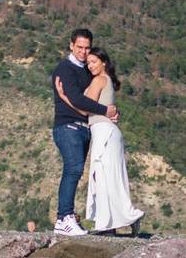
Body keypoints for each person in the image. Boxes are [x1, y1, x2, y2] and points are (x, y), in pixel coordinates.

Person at [55, 46, 144, 235]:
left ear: (104, 62)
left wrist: (64, 97)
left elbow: (85, 108)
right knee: (109, 178)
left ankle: (114, 222)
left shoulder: (98, 80)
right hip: (107, 132)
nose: (91, 66)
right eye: (88, 63)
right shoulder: (107, 80)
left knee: (103, 177)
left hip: (103, 131)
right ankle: (115, 222)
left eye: (94, 61)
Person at [50, 29, 118, 236]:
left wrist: (110, 112)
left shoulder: (88, 70)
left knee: (83, 172)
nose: (83, 51)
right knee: (73, 169)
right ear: (71, 45)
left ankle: (105, 220)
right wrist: (105, 111)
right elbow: (79, 100)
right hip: (68, 126)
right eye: (79, 47)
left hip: (86, 128)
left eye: (87, 48)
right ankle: (64, 218)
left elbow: (94, 98)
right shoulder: (65, 68)